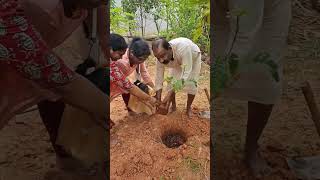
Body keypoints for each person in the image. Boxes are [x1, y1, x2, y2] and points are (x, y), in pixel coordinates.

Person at [0, 0, 109, 178]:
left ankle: (73, 166)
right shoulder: (10, 13)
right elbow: (61, 82)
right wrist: (104, 109)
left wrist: (105, 44)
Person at [213, 0, 291, 177]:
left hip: (267, 8)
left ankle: (251, 148)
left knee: (263, 76)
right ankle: (206, 143)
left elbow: (243, 35)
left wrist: (220, 79)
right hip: (220, 8)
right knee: (213, 62)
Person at [152, 37, 202, 117]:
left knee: (192, 84)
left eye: (163, 55)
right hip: (177, 62)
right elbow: (159, 77)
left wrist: (168, 95)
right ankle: (173, 106)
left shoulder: (183, 48)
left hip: (192, 59)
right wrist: (158, 100)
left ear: (169, 48)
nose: (161, 60)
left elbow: (186, 73)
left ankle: (188, 108)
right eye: (158, 57)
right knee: (171, 83)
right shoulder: (160, 56)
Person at [115, 37, 156, 115]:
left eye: (144, 59)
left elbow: (144, 72)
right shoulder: (121, 61)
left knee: (139, 88)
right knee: (128, 89)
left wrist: (154, 90)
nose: (142, 62)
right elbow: (126, 85)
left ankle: (134, 109)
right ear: (131, 53)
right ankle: (130, 110)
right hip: (113, 80)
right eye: (140, 59)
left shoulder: (138, 58)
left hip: (122, 80)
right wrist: (149, 98)